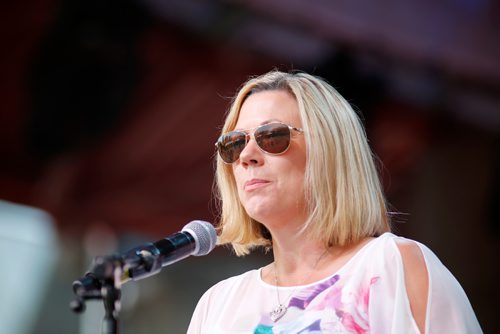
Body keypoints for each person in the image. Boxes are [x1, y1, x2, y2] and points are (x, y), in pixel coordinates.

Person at [187, 70, 482, 333]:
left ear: (328, 151)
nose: (247, 156)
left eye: (272, 136)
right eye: (234, 143)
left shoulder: (392, 265)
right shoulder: (219, 304)